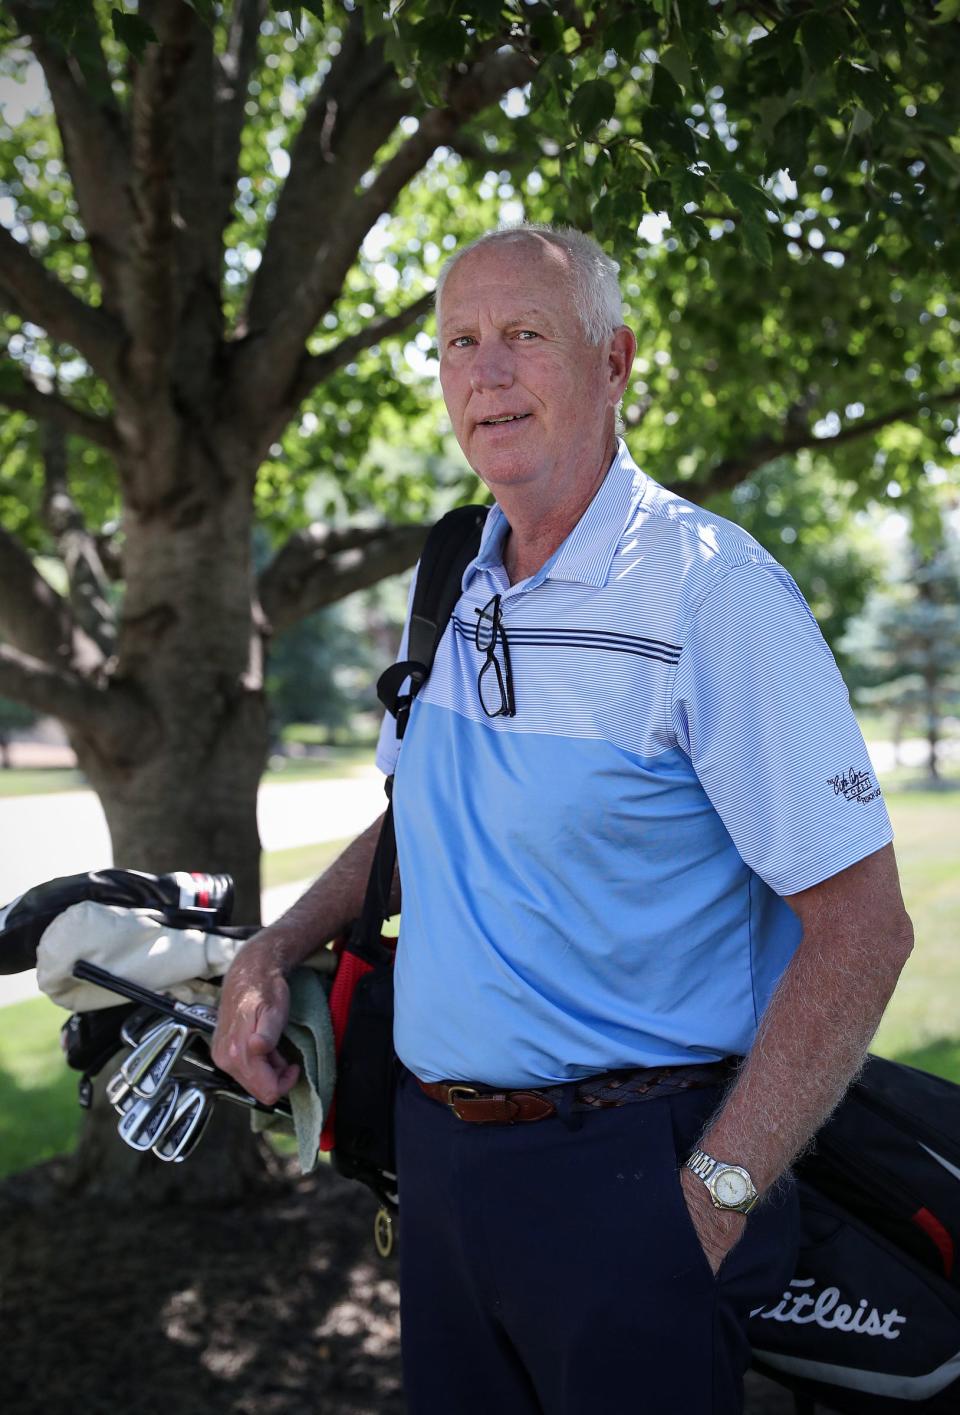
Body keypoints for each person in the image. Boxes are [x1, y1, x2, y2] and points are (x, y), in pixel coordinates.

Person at [213, 224, 913, 1414]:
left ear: (616, 358)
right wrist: (274, 945)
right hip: (440, 1174)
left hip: (639, 1176)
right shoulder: (451, 573)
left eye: (525, 335)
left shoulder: (712, 588)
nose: (486, 372)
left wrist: (710, 1200)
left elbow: (862, 929)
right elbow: (413, 819)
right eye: (458, 344)